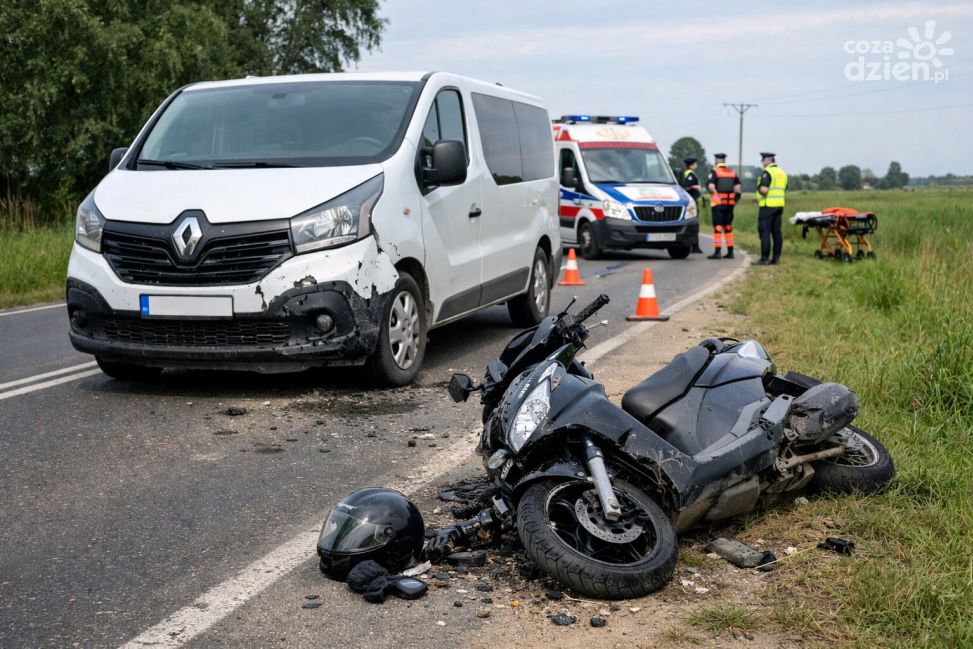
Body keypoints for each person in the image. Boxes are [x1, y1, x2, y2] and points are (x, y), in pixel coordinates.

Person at [754, 152, 788, 265]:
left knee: (765, 232)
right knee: (777, 233)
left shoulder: (767, 172)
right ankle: (776, 258)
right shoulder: (782, 172)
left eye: (763, 160)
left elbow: (764, 190)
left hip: (767, 206)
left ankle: (764, 258)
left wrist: (758, 188)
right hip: (779, 206)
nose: (762, 163)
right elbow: (784, 188)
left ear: (768, 160)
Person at [706, 153, 740, 259]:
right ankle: (730, 252)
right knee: (728, 226)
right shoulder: (732, 172)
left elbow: (711, 187)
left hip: (718, 205)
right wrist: (733, 201)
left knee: (718, 227)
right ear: (724, 161)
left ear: (716, 160)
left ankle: (717, 252)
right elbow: (738, 190)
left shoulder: (715, 171)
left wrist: (717, 197)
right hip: (729, 205)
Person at [682, 157, 704, 253]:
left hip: (691, 201)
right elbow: (686, 187)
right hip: (692, 202)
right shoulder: (690, 174)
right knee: (694, 224)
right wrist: (695, 186)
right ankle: (695, 246)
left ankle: (695, 246)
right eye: (695, 164)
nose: (696, 165)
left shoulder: (688, 173)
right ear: (691, 165)